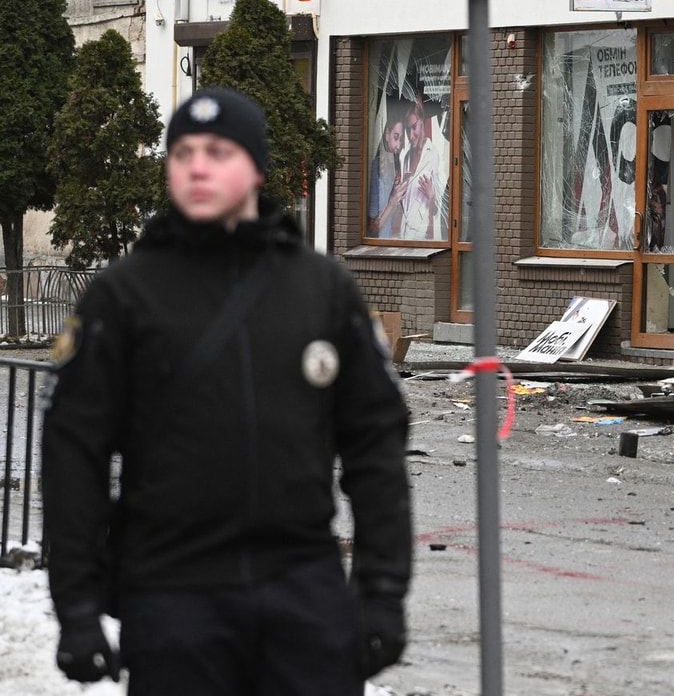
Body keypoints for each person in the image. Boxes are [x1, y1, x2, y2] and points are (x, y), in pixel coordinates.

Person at [42, 87, 413, 695]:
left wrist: (381, 592)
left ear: (258, 168)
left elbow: (376, 449)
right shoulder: (124, 296)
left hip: (302, 592)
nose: (197, 166)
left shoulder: (322, 290)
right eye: (182, 152)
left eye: (218, 150)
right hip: (173, 598)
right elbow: (73, 452)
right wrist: (77, 608)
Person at [397, 98, 445, 242]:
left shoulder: (432, 155)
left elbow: (438, 210)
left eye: (414, 127)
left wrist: (431, 196)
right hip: (402, 232)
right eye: (407, 129)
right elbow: (403, 203)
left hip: (420, 236)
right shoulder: (405, 157)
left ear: (422, 121)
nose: (410, 135)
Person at [368, 101, 408, 238]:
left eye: (401, 139)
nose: (399, 145)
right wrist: (392, 201)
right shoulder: (375, 168)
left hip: (391, 241)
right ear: (386, 134)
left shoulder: (395, 167)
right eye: (396, 137)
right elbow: (372, 228)